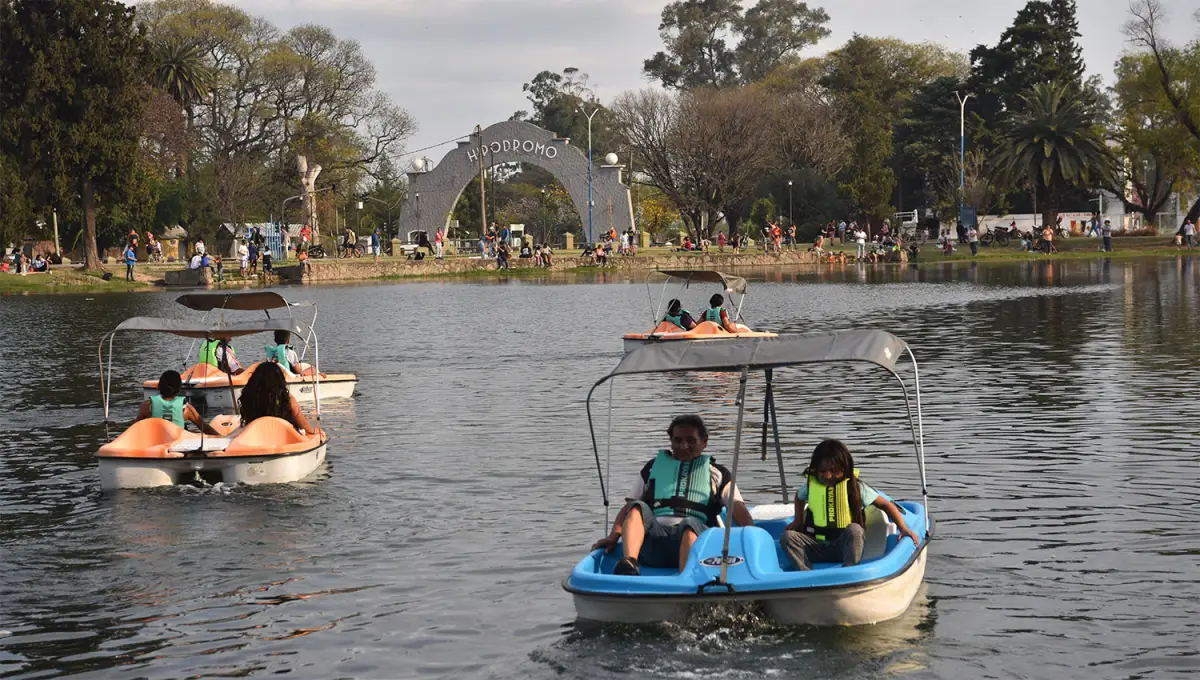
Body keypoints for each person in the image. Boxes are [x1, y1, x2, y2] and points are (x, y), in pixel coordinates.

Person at [591, 415, 754, 575]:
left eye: (690, 440)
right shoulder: (652, 468)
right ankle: (630, 564)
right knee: (636, 507)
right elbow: (629, 509)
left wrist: (752, 538)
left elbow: (737, 508)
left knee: (690, 523)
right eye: (678, 440)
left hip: (699, 546)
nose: (683, 446)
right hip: (655, 546)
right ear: (671, 441)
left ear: (704, 442)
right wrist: (613, 536)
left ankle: (686, 577)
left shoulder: (718, 474)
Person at [780, 439, 919, 571]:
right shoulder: (811, 487)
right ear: (815, 469)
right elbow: (799, 497)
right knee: (787, 537)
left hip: (844, 548)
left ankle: (849, 571)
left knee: (855, 530)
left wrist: (904, 529)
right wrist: (798, 519)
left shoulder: (856, 487)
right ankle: (806, 574)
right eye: (822, 471)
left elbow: (886, 505)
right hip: (816, 546)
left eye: (833, 471)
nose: (827, 476)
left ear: (844, 469)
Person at [237, 362, 319, 434]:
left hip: (255, 436)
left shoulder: (249, 396)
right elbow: (303, 425)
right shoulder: (286, 398)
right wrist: (313, 431)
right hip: (285, 436)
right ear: (280, 379)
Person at [135, 370, 220, 434]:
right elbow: (206, 429)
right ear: (179, 388)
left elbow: (133, 431)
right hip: (177, 449)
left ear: (159, 386)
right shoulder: (186, 409)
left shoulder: (147, 407)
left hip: (155, 449)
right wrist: (223, 438)